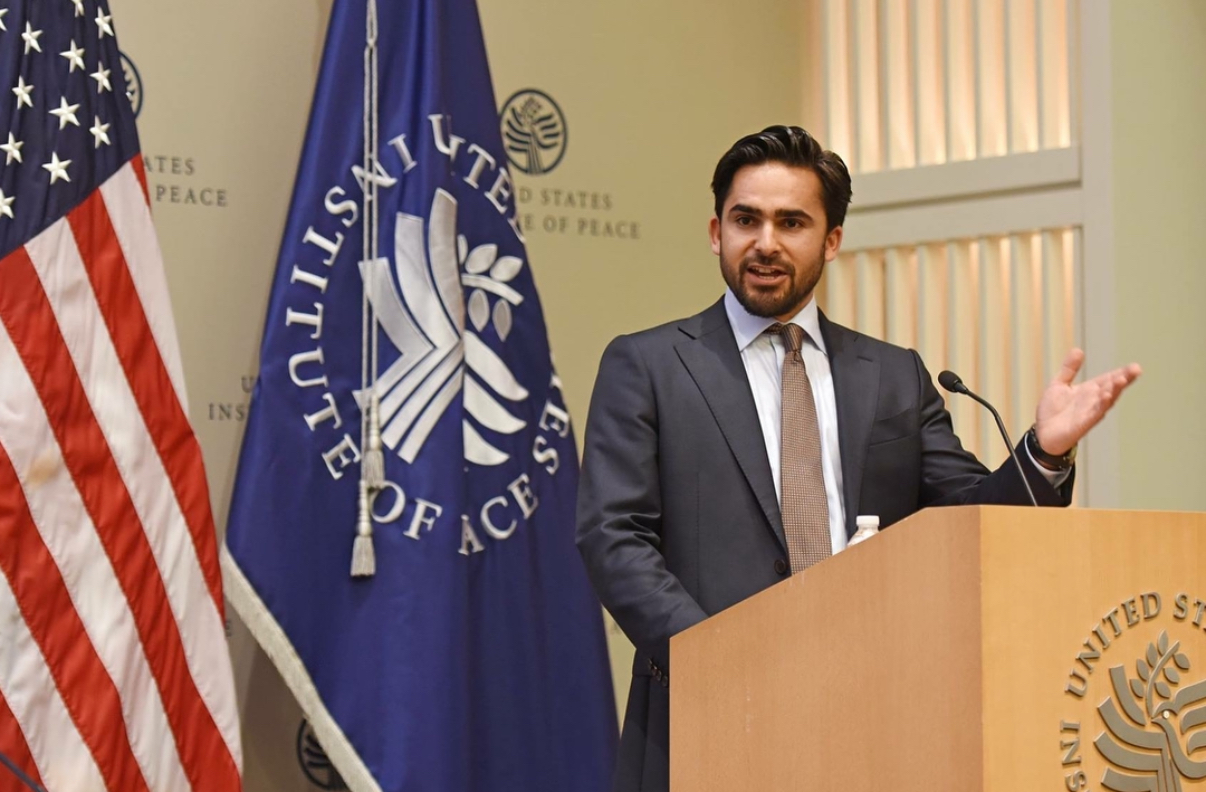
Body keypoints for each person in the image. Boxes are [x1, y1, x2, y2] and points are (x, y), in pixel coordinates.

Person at [574, 125, 1141, 792]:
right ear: (714, 231)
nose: (765, 242)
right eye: (745, 219)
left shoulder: (893, 375)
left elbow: (963, 526)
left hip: (875, 711)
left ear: (832, 240)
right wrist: (720, 662)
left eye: (792, 222)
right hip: (704, 711)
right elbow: (614, 537)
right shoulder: (648, 365)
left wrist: (1043, 451)